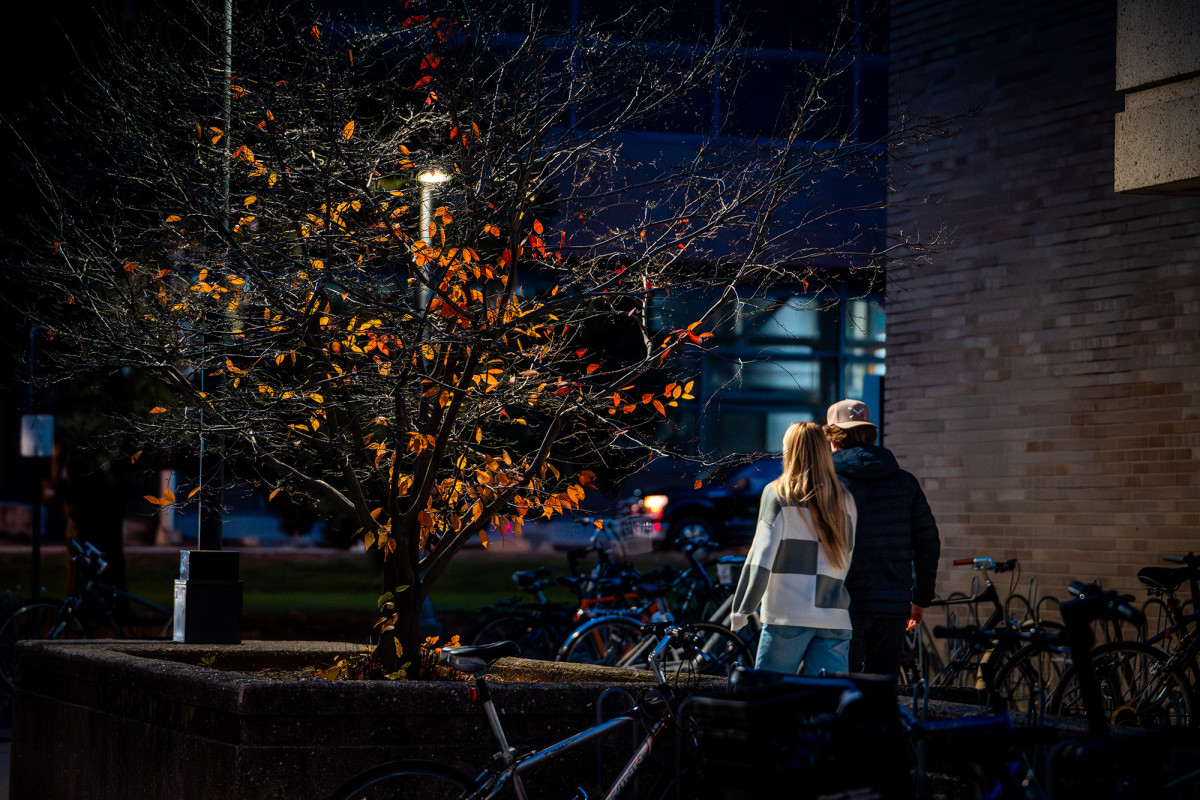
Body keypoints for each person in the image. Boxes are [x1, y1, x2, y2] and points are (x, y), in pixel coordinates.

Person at [824, 398, 940, 677]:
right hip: (892, 603)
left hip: (841, 602)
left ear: (833, 439)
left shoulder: (827, 483)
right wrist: (920, 598)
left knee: (840, 686)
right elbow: (928, 543)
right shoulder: (905, 482)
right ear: (869, 435)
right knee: (881, 690)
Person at [730, 421, 858, 676]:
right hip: (834, 617)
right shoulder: (845, 499)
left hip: (787, 615)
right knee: (825, 706)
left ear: (790, 451)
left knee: (770, 700)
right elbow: (846, 559)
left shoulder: (778, 494)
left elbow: (761, 559)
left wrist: (741, 612)